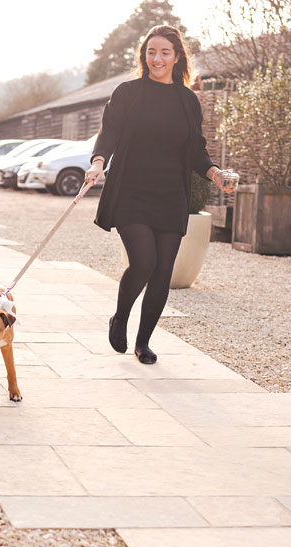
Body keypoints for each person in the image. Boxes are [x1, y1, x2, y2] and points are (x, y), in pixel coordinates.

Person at [84, 24, 229, 365]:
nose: (157, 58)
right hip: (131, 192)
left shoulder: (187, 101)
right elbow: (109, 133)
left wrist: (215, 173)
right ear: (143, 55)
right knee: (144, 261)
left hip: (170, 194)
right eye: (151, 51)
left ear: (177, 57)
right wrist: (97, 163)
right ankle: (120, 317)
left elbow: (196, 150)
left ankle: (143, 342)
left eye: (165, 52)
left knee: (163, 269)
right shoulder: (128, 93)